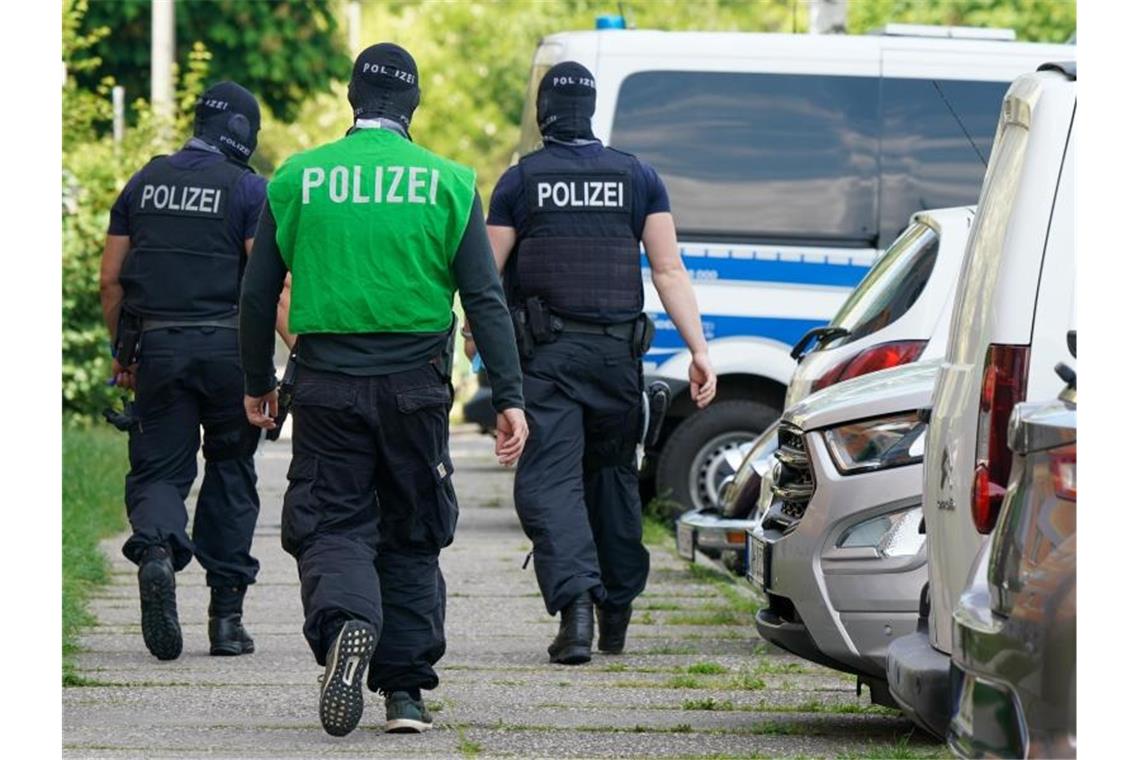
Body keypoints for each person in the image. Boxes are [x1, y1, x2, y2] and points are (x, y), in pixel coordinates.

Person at [240, 43, 527, 738]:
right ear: (413, 104)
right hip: (416, 389)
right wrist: (509, 393)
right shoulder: (450, 182)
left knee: (331, 520)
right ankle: (404, 694)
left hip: (328, 382)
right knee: (412, 529)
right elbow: (485, 297)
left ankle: (347, 624)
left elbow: (255, 293)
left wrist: (257, 383)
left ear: (351, 98)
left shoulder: (299, 179)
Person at [472, 61, 716, 665]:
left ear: (544, 114)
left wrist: (481, 346)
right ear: (593, 112)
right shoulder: (637, 177)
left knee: (550, 483)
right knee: (611, 482)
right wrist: (699, 349)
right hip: (617, 360)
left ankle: (576, 608)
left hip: (549, 362)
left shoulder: (519, 182)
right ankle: (617, 614)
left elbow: (486, 274)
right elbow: (667, 271)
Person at [100, 81, 290, 661]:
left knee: (159, 469)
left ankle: (156, 551)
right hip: (230, 355)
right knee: (232, 475)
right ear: (244, 133)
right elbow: (269, 284)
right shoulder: (249, 189)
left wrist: (122, 351)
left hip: (158, 349)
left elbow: (111, 277)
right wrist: (297, 356)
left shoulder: (144, 181)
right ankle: (226, 621)